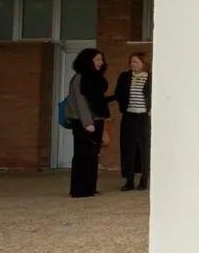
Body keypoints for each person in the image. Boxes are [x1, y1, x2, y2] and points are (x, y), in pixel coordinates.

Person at [64, 48, 111, 198]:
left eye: (101, 59)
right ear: (88, 61)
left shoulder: (95, 78)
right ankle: (79, 189)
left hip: (97, 120)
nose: (101, 63)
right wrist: (87, 123)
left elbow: (98, 101)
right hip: (83, 122)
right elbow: (80, 102)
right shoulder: (80, 78)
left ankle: (90, 188)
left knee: (92, 155)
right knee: (82, 155)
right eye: (97, 59)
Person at [112, 52, 152, 191]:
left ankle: (144, 180)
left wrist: (151, 108)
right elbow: (118, 94)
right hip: (129, 116)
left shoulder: (151, 77)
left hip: (144, 117)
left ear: (144, 63)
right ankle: (129, 180)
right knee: (128, 147)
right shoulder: (125, 77)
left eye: (136, 62)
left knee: (144, 148)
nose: (132, 64)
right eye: (131, 62)